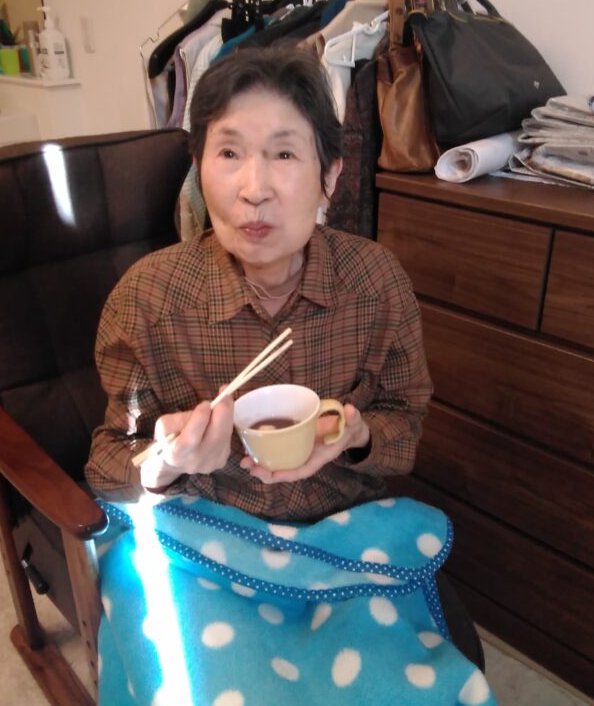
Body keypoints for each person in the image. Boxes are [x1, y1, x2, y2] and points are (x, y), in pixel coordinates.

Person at [85, 46, 431, 524]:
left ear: (330, 175)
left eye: (284, 153)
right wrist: (168, 463)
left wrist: (357, 436)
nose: (254, 190)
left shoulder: (377, 283)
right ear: (198, 169)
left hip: (342, 526)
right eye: (229, 153)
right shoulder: (145, 299)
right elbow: (105, 465)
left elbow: (406, 424)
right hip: (205, 529)